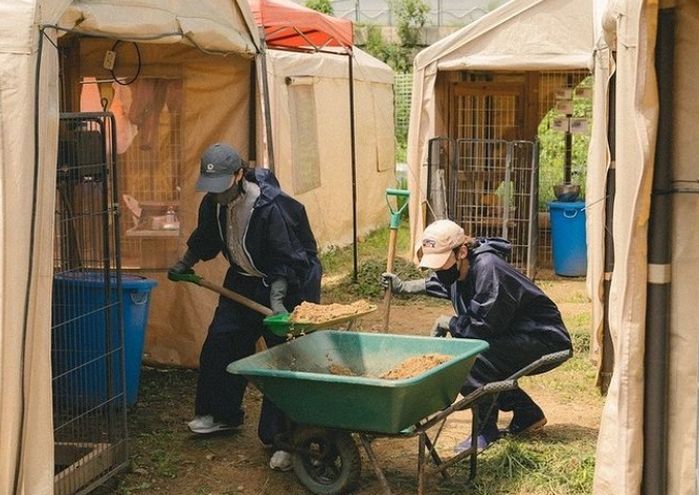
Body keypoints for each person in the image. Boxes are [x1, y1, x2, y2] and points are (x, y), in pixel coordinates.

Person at [168, 143, 322, 471]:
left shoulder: (270, 206)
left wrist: (279, 304)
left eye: (222, 187)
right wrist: (186, 262)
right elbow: (206, 237)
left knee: (283, 359)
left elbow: (287, 255)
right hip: (243, 278)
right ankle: (221, 414)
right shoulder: (214, 203)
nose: (217, 195)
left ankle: (285, 439)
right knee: (222, 343)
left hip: (289, 281)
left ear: (239, 174)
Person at [381, 219, 572, 453]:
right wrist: (403, 287)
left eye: (442, 265)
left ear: (462, 251)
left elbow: (483, 326)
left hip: (544, 338)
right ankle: (527, 414)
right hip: (516, 335)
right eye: (434, 267)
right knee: (478, 357)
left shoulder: (489, 268)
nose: (439, 272)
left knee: (471, 359)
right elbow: (444, 283)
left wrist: (449, 323)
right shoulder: (461, 268)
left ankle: (485, 431)